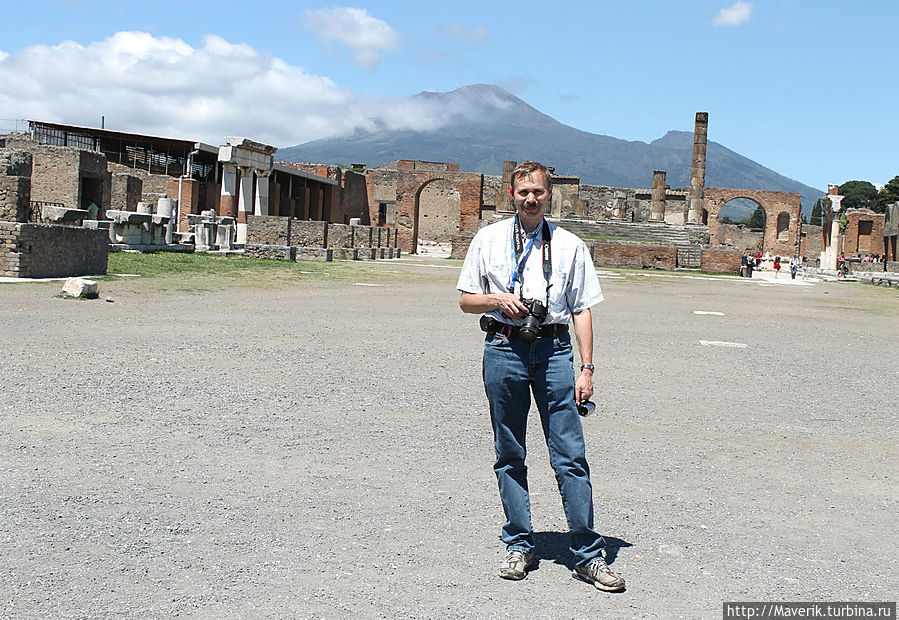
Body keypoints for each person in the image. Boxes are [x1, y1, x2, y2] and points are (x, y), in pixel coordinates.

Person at [456, 161, 624, 592]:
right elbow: (465, 301)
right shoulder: (488, 239)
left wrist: (587, 369)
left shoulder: (569, 245)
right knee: (509, 450)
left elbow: (582, 308)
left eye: (539, 192)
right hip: (503, 347)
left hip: (554, 350)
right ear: (510, 194)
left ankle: (588, 552)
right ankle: (519, 543)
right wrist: (496, 299)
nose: (531, 199)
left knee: (569, 453)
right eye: (523, 192)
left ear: (550, 195)